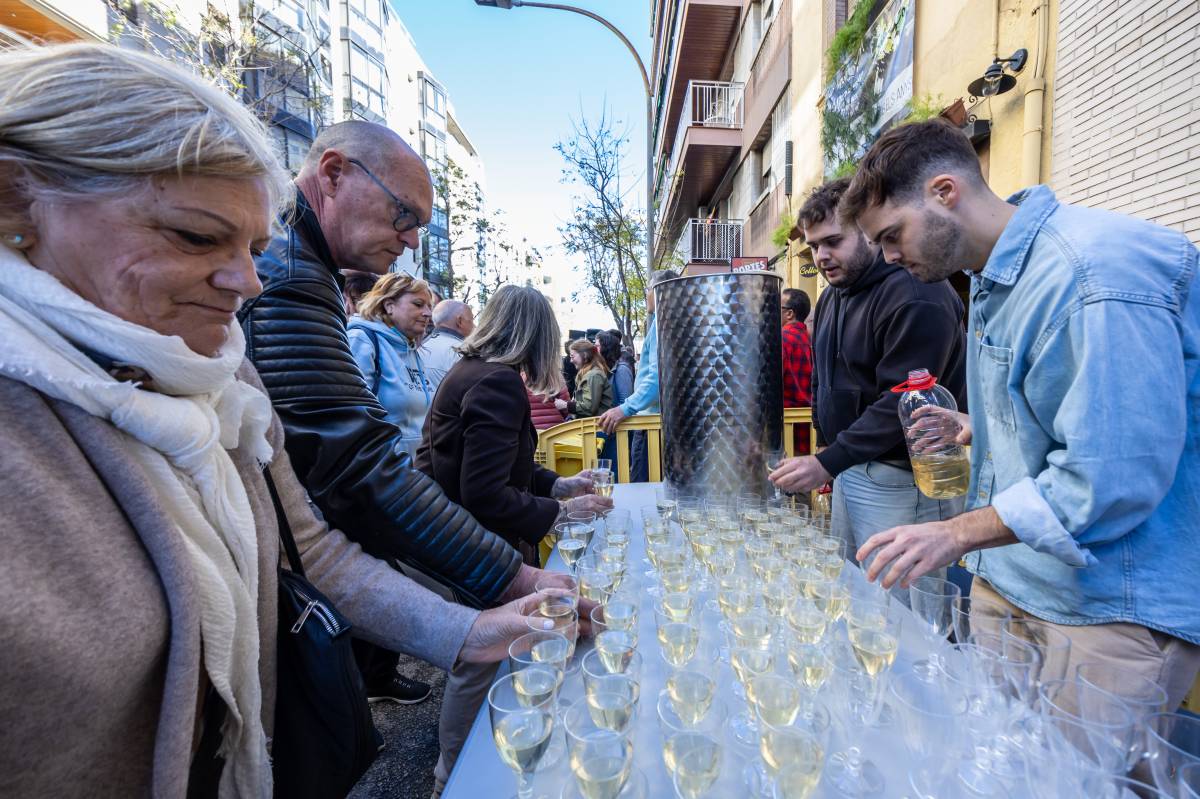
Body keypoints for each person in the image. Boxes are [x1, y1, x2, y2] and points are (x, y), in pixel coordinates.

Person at [0, 41, 548, 797]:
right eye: (196, 236)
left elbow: (308, 551)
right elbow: (357, 467)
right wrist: (506, 573)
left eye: (256, 246)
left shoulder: (228, 378)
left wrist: (470, 630)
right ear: (16, 202)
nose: (248, 279)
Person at [840, 119, 1200, 707]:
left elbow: (1108, 477)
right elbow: (1068, 419)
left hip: (1102, 611)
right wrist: (978, 428)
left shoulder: (1091, 275)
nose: (885, 255)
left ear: (944, 192)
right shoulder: (991, 277)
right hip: (1010, 583)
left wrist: (954, 532)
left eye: (891, 234)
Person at [242, 119, 571, 705]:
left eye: (420, 224)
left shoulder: (302, 265)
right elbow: (355, 468)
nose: (413, 239)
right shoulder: (287, 272)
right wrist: (511, 576)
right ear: (334, 173)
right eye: (404, 215)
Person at [415, 285, 611, 795]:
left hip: (450, 529)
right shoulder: (497, 382)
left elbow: (504, 467)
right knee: (478, 658)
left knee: (485, 652)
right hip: (468, 541)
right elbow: (484, 495)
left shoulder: (471, 371)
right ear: (538, 335)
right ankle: (455, 780)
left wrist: (558, 484)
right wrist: (562, 511)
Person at [770, 178, 967, 599]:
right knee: (856, 600)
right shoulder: (832, 296)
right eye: (814, 246)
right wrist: (831, 457)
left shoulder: (916, 291)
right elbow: (822, 382)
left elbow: (906, 399)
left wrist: (827, 461)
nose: (821, 256)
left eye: (833, 241)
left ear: (869, 231)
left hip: (904, 480)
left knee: (900, 617)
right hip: (850, 470)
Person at [599, 269, 678, 481]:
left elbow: (657, 378)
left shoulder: (663, 323)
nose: (646, 294)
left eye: (648, 288)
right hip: (661, 423)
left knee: (642, 484)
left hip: (651, 424)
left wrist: (624, 408)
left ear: (660, 291)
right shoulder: (670, 322)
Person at [347, 273, 434, 460]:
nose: (428, 313)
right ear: (389, 305)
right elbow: (351, 417)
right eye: (418, 304)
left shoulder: (413, 351)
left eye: (429, 307)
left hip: (414, 470)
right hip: (379, 471)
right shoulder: (362, 340)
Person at [781, 288, 813, 454]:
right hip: (810, 432)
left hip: (786, 434)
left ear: (789, 314)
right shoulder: (809, 340)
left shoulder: (781, 339)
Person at [423, 298, 475, 388]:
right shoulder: (463, 351)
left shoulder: (417, 347)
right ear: (459, 321)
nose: (474, 326)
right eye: (471, 320)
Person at [557, 338, 614, 419]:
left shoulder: (594, 375)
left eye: (572, 356)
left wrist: (566, 405)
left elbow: (589, 408)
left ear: (584, 355)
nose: (571, 361)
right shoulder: (588, 374)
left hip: (596, 427)